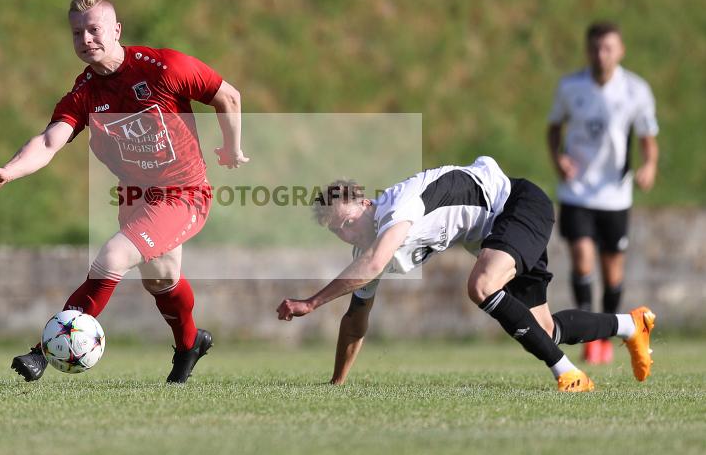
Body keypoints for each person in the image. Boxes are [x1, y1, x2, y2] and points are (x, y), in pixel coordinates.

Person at [0, 0, 248, 383]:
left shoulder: (162, 67)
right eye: (76, 34)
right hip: (135, 196)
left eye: (93, 30)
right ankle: (191, 344)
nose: (85, 40)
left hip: (183, 194)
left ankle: (41, 353)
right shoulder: (85, 92)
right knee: (162, 280)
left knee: (112, 258)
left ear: (116, 30)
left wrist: (232, 148)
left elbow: (229, 96)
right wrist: (10, 170)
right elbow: (50, 141)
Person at [276, 156, 656, 392]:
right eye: (336, 231)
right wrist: (337, 384)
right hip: (498, 232)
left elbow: (374, 264)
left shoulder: (395, 208)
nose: (346, 233)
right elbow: (356, 319)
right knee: (545, 330)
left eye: (347, 221)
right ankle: (631, 324)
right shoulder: (370, 248)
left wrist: (311, 302)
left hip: (518, 205)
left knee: (481, 285)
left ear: (364, 202)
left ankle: (569, 375)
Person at [547, 21, 659, 364]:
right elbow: (553, 128)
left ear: (620, 50)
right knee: (581, 258)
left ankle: (609, 336)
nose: (601, 55)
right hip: (577, 192)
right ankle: (589, 338)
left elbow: (647, 140)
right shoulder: (571, 87)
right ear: (587, 50)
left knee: (613, 273)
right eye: (595, 48)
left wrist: (649, 166)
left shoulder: (636, 90)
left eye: (608, 48)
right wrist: (559, 159)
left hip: (615, 195)